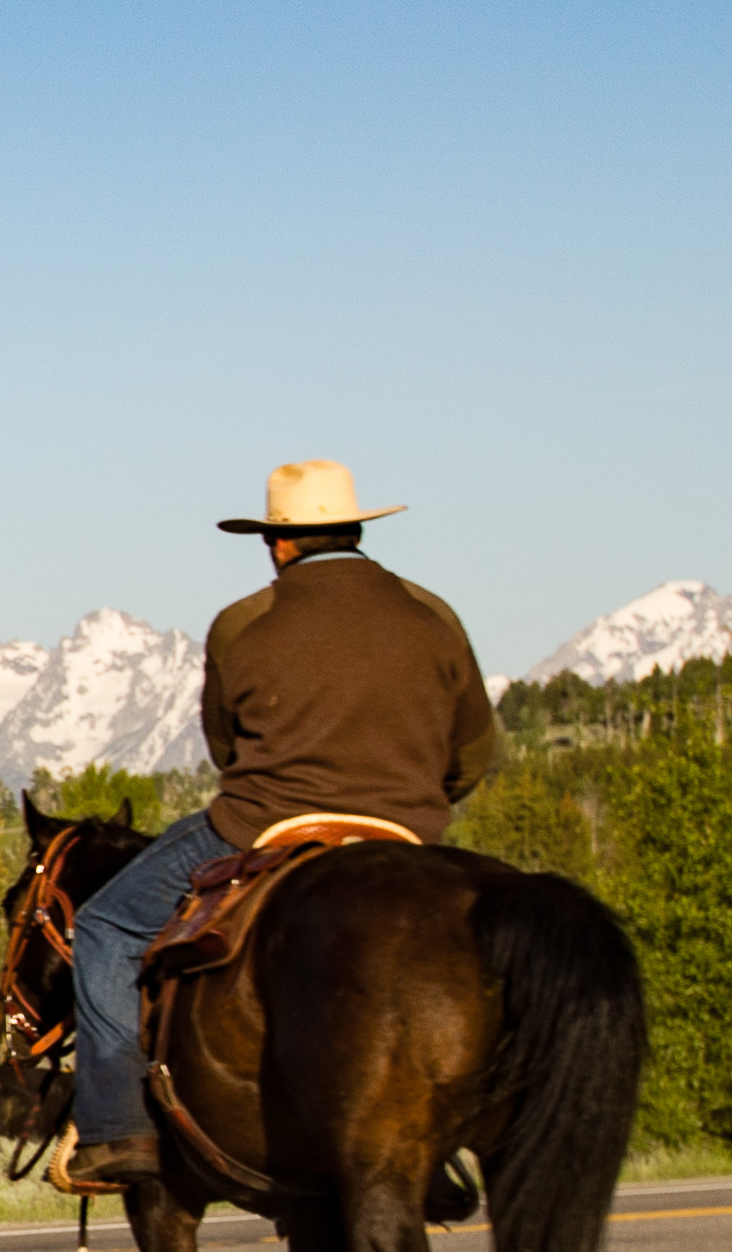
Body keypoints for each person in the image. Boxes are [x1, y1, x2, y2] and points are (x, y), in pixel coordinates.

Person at [57, 460, 497, 1188]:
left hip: (265, 822)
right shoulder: (434, 614)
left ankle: (116, 1128)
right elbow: (475, 748)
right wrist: (416, 806)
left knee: (106, 926)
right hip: (407, 830)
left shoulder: (244, 622)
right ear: (357, 532)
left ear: (278, 543)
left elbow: (225, 745)